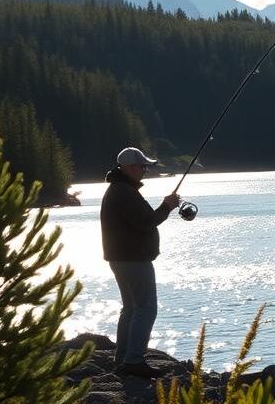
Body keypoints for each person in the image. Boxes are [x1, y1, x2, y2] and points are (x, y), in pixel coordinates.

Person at [100, 146, 180, 379]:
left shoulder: (119, 189)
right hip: (133, 260)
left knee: (131, 309)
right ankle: (133, 360)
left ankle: (123, 359)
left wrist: (166, 207)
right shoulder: (124, 192)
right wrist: (167, 206)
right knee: (145, 309)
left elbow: (141, 221)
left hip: (121, 259)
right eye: (142, 166)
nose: (145, 170)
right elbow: (146, 222)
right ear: (129, 168)